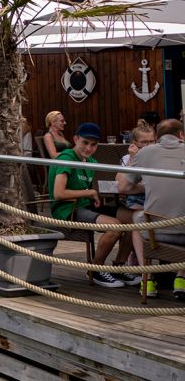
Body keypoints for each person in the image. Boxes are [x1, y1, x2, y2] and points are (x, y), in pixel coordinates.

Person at [48, 123, 128, 288]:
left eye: (93, 144)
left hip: (86, 206)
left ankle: (119, 266)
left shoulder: (91, 160)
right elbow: (58, 194)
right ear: (75, 139)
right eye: (85, 142)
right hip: (68, 210)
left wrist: (98, 194)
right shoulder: (67, 158)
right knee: (115, 227)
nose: (89, 148)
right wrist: (90, 193)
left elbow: (86, 188)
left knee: (133, 220)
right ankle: (95, 269)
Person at [119, 119, 185, 300]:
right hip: (184, 229)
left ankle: (147, 280)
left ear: (158, 137)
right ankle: (181, 278)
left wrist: (147, 184)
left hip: (155, 232)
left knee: (138, 219)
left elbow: (123, 187)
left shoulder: (145, 153)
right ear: (181, 135)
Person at [111, 125, 156, 290]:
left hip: (154, 201)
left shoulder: (158, 157)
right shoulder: (128, 158)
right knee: (137, 216)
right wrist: (133, 159)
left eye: (152, 141)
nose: (149, 145)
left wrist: (138, 186)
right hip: (135, 202)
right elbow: (118, 184)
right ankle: (144, 268)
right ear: (135, 143)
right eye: (144, 142)